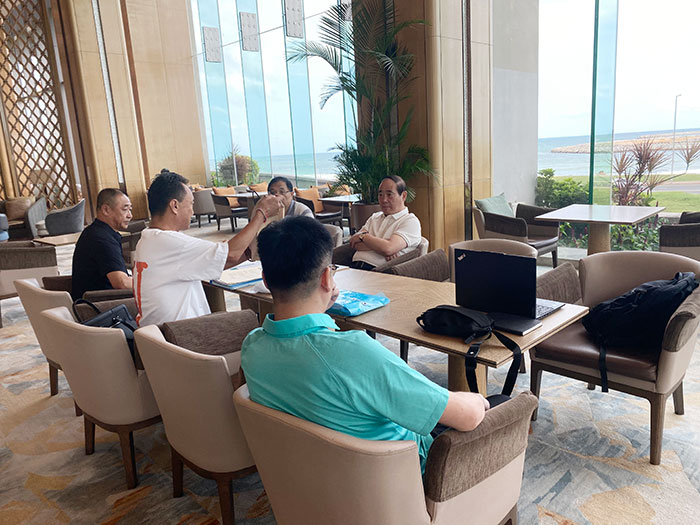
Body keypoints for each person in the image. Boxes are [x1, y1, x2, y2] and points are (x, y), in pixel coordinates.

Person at [242, 216, 488, 472]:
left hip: (313, 474)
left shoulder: (252, 347)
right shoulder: (352, 353)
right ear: (327, 278)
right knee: (496, 402)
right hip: (406, 476)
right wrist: (477, 400)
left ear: (266, 280)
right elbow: (468, 417)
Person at [133, 169, 282, 326]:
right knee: (251, 323)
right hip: (182, 335)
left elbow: (220, 260)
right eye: (191, 204)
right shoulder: (170, 243)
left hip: (160, 333)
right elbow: (230, 254)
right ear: (174, 206)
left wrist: (248, 252)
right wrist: (261, 213)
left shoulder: (149, 239)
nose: (192, 211)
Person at [349, 175, 421, 270]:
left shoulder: (410, 221)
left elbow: (388, 248)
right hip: (354, 267)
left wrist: (363, 237)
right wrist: (382, 246)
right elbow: (355, 244)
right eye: (380, 195)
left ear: (403, 196)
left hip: (379, 271)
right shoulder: (375, 217)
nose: (384, 200)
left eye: (389, 194)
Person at [71, 188, 133, 300]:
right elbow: (121, 283)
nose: (130, 215)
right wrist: (152, 284)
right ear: (106, 210)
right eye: (125, 209)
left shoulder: (96, 231)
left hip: (97, 300)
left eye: (130, 209)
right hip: (98, 305)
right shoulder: (101, 239)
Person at [267, 176, 343, 247]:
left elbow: (311, 238)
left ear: (291, 194)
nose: (276, 196)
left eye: (282, 192)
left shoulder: (302, 211)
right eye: (272, 193)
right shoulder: (266, 212)